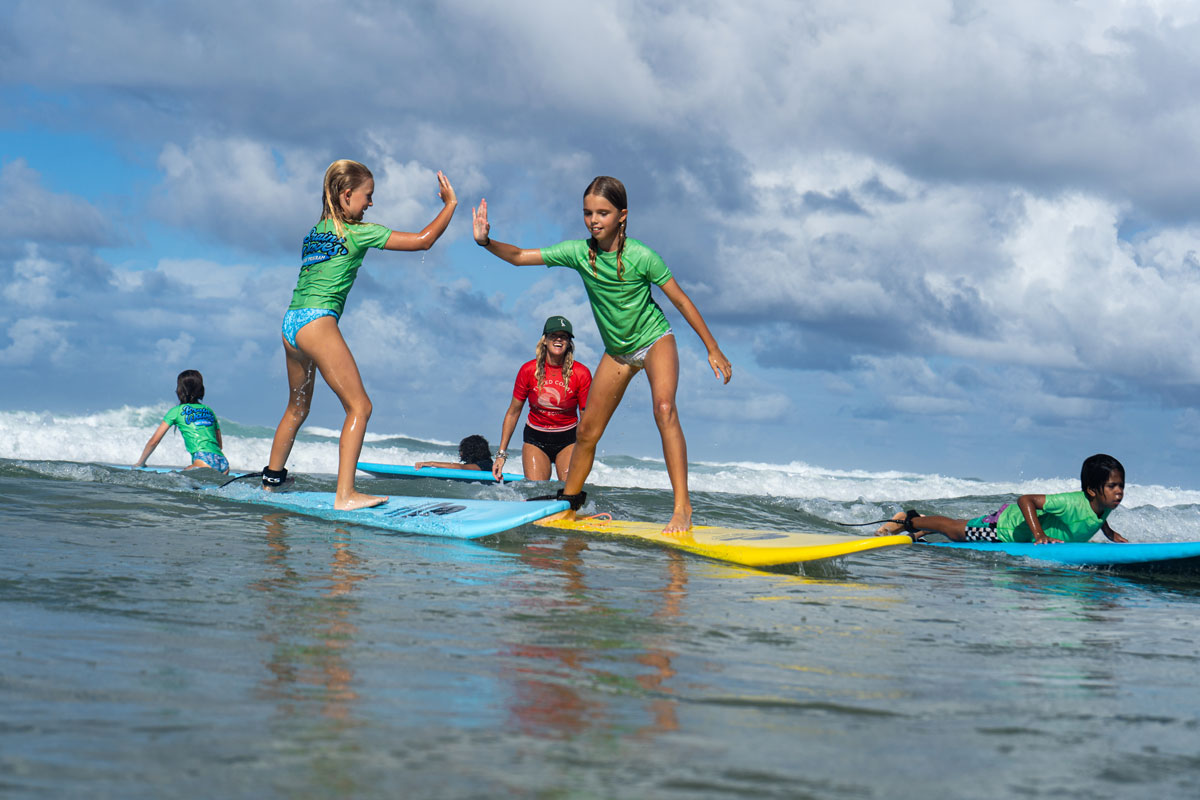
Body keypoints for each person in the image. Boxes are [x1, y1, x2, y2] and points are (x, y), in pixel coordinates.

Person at [472, 176, 732, 533]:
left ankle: (682, 508)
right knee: (588, 432)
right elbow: (519, 257)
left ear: (622, 215)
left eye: (603, 213)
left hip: (655, 339)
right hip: (618, 352)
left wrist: (712, 347)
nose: (594, 220)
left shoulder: (642, 256)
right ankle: (568, 504)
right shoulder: (580, 253)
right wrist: (486, 241)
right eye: (588, 213)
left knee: (664, 409)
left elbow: (681, 299)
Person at [264, 159, 457, 510]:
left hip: (291, 324)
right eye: (368, 196)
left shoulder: (314, 232)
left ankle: (270, 482)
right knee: (360, 407)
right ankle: (345, 494)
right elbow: (422, 241)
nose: (371, 204)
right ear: (346, 194)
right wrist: (450, 205)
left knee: (296, 408)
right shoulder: (357, 232)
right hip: (318, 323)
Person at [875, 453, 1129, 544]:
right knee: (955, 531)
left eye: (1121, 485)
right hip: (1006, 530)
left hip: (1013, 529)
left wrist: (1108, 531)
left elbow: (1095, 516)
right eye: (1112, 486)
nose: (1119, 491)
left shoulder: (1104, 504)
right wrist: (1039, 535)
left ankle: (921, 526)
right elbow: (1025, 500)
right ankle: (909, 521)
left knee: (965, 526)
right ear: (1092, 490)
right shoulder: (1070, 501)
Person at [493, 315, 593, 482]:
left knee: (570, 490)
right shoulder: (528, 370)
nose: (559, 339)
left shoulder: (581, 373)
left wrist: (586, 453)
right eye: (554, 335)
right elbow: (513, 412)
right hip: (536, 439)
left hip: (568, 439)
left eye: (564, 336)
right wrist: (501, 455)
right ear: (545, 340)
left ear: (569, 343)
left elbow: (587, 419)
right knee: (536, 489)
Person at [134, 369, 230, 473]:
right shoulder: (209, 410)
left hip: (203, 462)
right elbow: (219, 445)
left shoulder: (176, 411)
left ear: (180, 390)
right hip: (223, 463)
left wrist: (141, 463)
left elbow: (154, 441)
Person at [415, 435, 495, 473]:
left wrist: (431, 463)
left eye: (462, 450)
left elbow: (461, 467)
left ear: (470, 452)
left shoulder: (485, 465)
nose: (460, 453)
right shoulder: (487, 463)